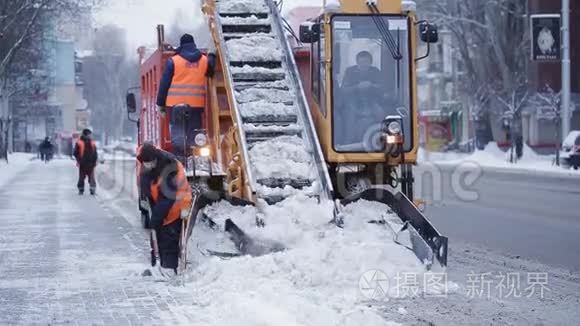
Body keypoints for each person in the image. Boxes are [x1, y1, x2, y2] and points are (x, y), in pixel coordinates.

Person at [137, 142, 192, 277]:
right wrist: (146, 205)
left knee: (169, 238)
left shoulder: (170, 165)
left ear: (155, 159)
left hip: (176, 205)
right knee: (158, 236)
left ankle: (169, 271)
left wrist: (156, 218)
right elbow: (146, 189)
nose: (147, 164)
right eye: (145, 163)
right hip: (161, 204)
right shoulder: (146, 165)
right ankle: (160, 265)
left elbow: (168, 197)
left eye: (149, 162)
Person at [156, 33, 216, 131]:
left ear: (181, 45)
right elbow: (210, 72)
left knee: (178, 138)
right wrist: (212, 55)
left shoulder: (173, 61)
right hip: (196, 106)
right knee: (195, 138)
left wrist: (161, 104)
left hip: (175, 107)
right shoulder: (204, 60)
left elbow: (164, 84)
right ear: (194, 44)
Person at [73, 129, 98, 195]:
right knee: (81, 178)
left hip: (91, 164)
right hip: (82, 164)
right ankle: (81, 189)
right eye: (89, 134)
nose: (90, 136)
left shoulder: (92, 143)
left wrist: (95, 161)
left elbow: (95, 153)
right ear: (85, 134)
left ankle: (92, 189)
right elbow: (75, 153)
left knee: (92, 178)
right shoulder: (79, 142)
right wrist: (79, 160)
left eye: (90, 134)